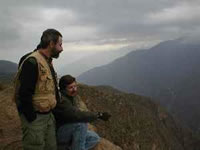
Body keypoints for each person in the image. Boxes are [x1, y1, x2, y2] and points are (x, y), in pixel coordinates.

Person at [13, 29, 63, 150]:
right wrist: (31, 118)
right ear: (51, 44)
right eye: (60, 44)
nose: (61, 49)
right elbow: (24, 93)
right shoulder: (32, 62)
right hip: (36, 118)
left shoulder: (46, 61)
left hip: (48, 116)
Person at [53, 75, 111, 150]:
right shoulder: (62, 101)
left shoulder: (69, 97)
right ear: (63, 89)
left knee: (94, 138)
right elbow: (77, 115)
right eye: (71, 87)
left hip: (68, 129)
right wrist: (99, 115)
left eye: (75, 86)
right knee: (81, 123)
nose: (74, 89)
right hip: (60, 134)